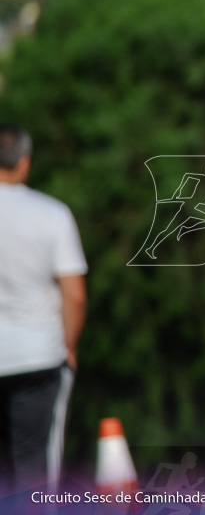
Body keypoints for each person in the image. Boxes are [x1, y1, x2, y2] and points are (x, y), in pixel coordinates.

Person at [0, 125, 87, 492]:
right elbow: (75, 295)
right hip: (38, 354)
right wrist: (69, 343)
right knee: (36, 471)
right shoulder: (52, 213)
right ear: (25, 163)